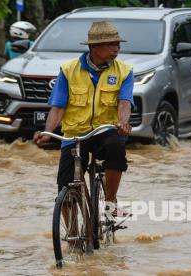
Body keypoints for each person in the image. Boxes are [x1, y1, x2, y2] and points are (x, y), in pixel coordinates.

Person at [32, 21, 134, 217]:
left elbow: (124, 102)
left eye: (118, 44)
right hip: (75, 135)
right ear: (94, 46)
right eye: (111, 44)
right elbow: (58, 107)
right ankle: (72, 236)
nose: (117, 49)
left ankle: (110, 203)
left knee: (116, 149)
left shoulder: (124, 71)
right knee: (65, 186)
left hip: (105, 130)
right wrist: (48, 132)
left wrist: (122, 122)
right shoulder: (68, 70)